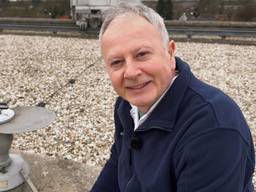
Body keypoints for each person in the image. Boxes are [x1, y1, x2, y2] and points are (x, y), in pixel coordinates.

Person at [91, 2, 255, 192]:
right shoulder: (126, 106)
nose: (131, 73)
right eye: (117, 62)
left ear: (170, 53)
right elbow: (116, 166)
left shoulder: (214, 128)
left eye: (142, 54)